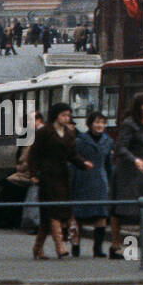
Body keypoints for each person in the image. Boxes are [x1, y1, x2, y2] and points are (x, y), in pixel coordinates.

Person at [31, 103, 93, 259]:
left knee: (48, 217)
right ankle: (60, 247)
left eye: (68, 115)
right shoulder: (44, 131)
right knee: (53, 211)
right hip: (47, 176)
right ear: (56, 115)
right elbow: (34, 153)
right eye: (63, 115)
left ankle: (37, 248)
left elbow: (72, 155)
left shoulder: (69, 133)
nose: (67, 118)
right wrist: (33, 173)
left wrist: (83, 163)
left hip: (63, 176)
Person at [109, 94, 143, 259]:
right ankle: (117, 246)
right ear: (138, 107)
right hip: (127, 173)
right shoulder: (130, 123)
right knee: (123, 209)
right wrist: (135, 160)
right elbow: (120, 147)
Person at [71, 112, 113, 257]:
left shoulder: (108, 141)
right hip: (82, 179)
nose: (100, 125)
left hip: (101, 181)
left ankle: (98, 248)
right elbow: (74, 162)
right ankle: (75, 245)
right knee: (78, 216)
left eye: (102, 122)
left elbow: (109, 164)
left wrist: (110, 181)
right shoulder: (80, 141)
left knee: (101, 215)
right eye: (97, 122)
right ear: (90, 124)